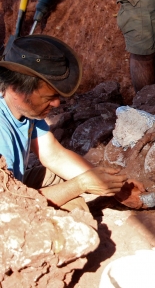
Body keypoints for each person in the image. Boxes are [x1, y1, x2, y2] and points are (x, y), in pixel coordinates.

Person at [0, 35, 127, 211]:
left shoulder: (24, 110)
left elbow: (53, 155)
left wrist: (114, 186)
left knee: (59, 177)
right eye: (49, 97)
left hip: (13, 184)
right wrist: (80, 184)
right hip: (7, 203)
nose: (57, 104)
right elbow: (10, 204)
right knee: (75, 208)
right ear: (17, 90)